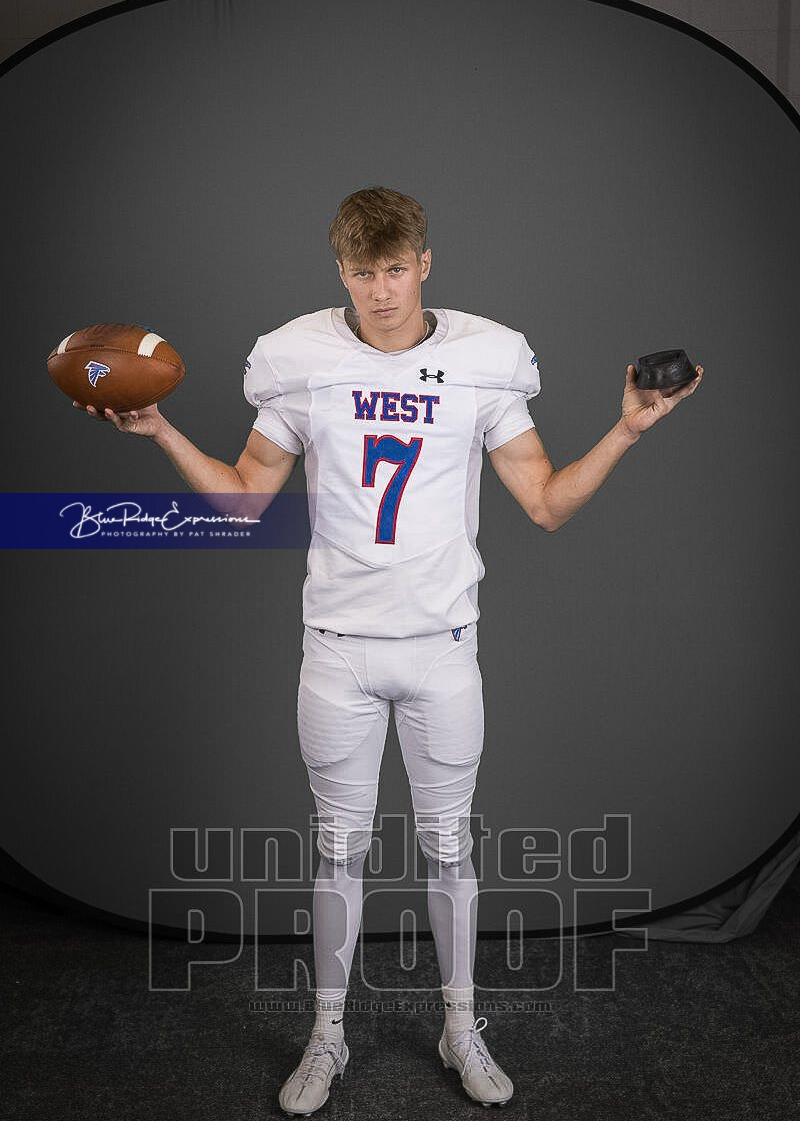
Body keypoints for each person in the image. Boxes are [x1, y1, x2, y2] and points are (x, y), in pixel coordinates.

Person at [76, 186, 703, 1114]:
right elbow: (245, 500)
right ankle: (326, 1036)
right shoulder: (300, 358)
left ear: (425, 264)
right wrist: (162, 429)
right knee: (339, 853)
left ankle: (461, 1027)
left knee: (451, 850)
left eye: (396, 269)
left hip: (443, 648)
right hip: (338, 651)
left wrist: (626, 429)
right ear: (341, 271)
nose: (381, 290)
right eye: (363, 272)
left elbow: (544, 502)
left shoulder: (484, 360)